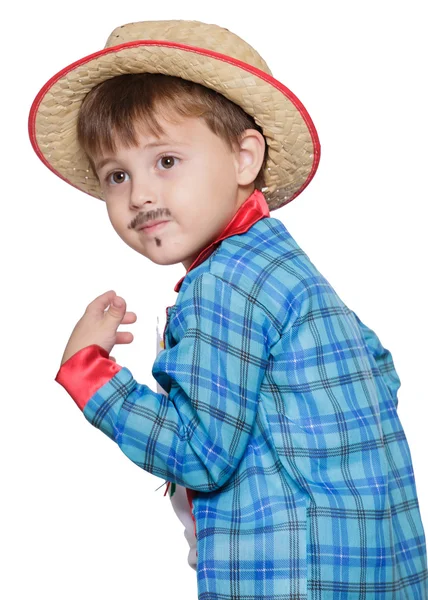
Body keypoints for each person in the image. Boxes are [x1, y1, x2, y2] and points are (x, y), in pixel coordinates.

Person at [29, 19, 427, 599]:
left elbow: (201, 452)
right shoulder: (284, 265)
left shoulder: (224, 286)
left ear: (244, 159)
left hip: (296, 576)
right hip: (378, 564)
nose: (139, 194)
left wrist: (91, 375)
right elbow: (380, 373)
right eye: (117, 175)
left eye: (165, 161)